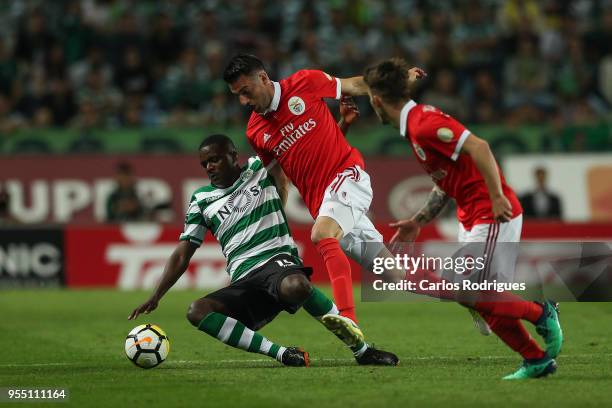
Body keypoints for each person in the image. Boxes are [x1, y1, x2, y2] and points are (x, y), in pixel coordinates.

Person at [363, 57, 563, 379]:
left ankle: (542, 313)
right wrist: (418, 219)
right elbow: (446, 180)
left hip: (493, 213)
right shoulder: (414, 126)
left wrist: (497, 197)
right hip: (472, 218)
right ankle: (536, 360)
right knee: (485, 300)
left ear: (376, 101)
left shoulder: (424, 124)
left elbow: (480, 147)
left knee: (463, 287)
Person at [129, 134, 398, 367]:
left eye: (215, 159)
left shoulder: (259, 168)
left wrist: (343, 125)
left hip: (277, 260)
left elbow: (314, 153)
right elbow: (182, 253)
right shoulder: (201, 200)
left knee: (296, 285)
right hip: (244, 278)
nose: (209, 167)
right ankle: (282, 354)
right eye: (204, 164)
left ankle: (362, 350)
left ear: (233, 155)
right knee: (197, 311)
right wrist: (157, 295)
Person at [222, 53, 424, 324]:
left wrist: (401, 80)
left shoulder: (305, 82)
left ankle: (347, 319)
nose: (243, 101)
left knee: (322, 234)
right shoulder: (255, 131)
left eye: (245, 92)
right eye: (237, 95)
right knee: (397, 276)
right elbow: (282, 177)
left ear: (263, 78)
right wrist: (279, 229)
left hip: (349, 176)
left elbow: (357, 85)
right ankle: (476, 298)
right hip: (325, 203)